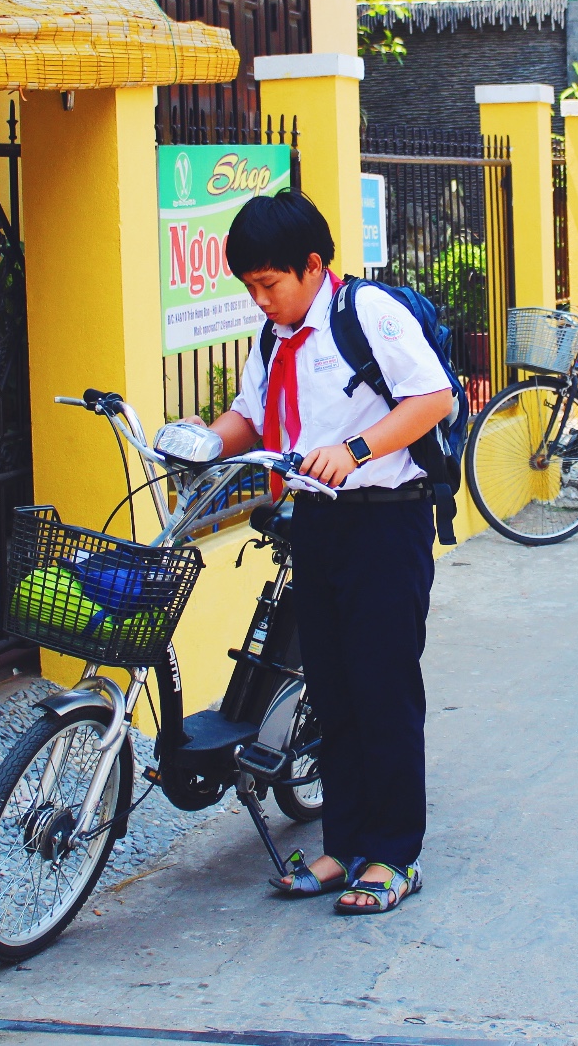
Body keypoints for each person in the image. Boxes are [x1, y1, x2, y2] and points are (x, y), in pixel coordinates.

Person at [198, 189, 454, 915]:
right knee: (332, 687)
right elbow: (251, 414)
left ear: (312, 267)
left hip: (385, 520)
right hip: (315, 521)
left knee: (384, 687)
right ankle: (343, 844)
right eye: (249, 286)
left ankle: (396, 853)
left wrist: (357, 447)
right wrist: (205, 442)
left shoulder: (365, 314)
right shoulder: (274, 337)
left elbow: (433, 396)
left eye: (269, 283)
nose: (260, 299)